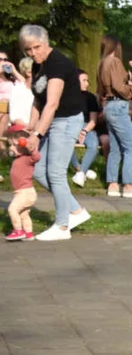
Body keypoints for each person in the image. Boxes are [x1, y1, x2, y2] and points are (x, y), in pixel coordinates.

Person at [20, 24, 91, 242]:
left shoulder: (58, 63)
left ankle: (62, 226)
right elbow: (38, 99)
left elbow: (52, 104)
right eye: (28, 50)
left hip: (67, 121)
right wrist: (32, 125)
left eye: (37, 47)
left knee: (56, 172)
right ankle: (76, 212)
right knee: (39, 169)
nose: (33, 53)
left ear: (46, 42)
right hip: (52, 121)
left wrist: (37, 136)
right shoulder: (37, 65)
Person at [97, 36, 132, 199]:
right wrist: (130, 88)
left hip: (109, 106)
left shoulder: (101, 64)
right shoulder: (115, 62)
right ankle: (128, 185)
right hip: (119, 105)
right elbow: (120, 87)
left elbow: (106, 88)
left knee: (116, 147)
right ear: (115, 47)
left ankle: (112, 184)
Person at [4, 124, 40, 242]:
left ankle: (18, 231)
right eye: (10, 145)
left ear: (24, 146)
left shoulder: (27, 157)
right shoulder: (17, 158)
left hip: (26, 192)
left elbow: (37, 157)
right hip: (21, 193)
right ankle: (29, 233)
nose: (11, 148)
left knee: (12, 209)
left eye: (14, 145)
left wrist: (32, 149)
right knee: (24, 214)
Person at [69, 70, 100, 188]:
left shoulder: (90, 97)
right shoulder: (66, 97)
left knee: (93, 144)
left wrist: (84, 131)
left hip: (86, 126)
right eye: (84, 80)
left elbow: (93, 121)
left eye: (87, 80)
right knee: (67, 142)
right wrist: (75, 130)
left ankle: (81, 173)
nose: (87, 83)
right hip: (70, 125)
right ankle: (80, 169)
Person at [8, 57, 35, 129]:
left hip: (39, 129)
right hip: (20, 128)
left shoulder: (45, 90)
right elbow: (15, 116)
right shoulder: (17, 89)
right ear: (28, 72)